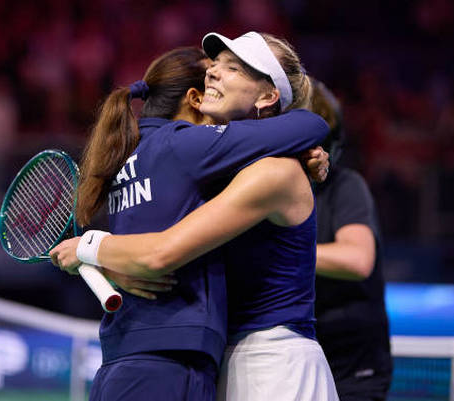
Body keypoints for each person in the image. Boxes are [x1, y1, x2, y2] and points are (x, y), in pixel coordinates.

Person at [52, 32, 338, 401]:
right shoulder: (217, 170)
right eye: (215, 66)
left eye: (232, 68)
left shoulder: (274, 171)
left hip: (275, 365)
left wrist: (90, 248)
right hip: (222, 364)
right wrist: (114, 266)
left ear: (268, 96)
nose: (213, 74)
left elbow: (162, 252)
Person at [310, 79, 392, 401]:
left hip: (353, 365)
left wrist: (285, 254)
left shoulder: (346, 187)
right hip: (306, 356)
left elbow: (358, 259)